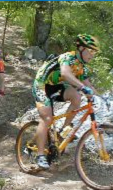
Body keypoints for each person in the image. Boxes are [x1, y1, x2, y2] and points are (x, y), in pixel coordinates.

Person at [32, 34, 100, 169]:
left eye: (94, 52)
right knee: (46, 118)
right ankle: (39, 155)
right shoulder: (68, 57)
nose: (92, 55)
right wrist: (82, 87)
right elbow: (65, 74)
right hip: (42, 84)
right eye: (90, 50)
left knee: (77, 97)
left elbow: (88, 85)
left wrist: (100, 97)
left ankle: (63, 130)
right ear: (80, 48)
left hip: (56, 86)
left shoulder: (82, 67)